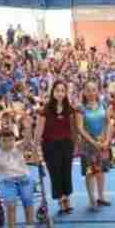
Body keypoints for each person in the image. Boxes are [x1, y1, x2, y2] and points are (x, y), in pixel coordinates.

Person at [35, 80, 76, 215]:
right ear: (53, 92)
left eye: (62, 91)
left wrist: (75, 145)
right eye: (57, 90)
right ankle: (60, 201)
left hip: (66, 145)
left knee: (66, 172)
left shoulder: (69, 109)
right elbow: (38, 132)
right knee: (55, 174)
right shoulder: (45, 110)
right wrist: (37, 150)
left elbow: (72, 128)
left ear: (66, 93)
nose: (60, 93)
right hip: (50, 147)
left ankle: (67, 199)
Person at [76, 80, 113, 212]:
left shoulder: (103, 104)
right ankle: (92, 199)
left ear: (97, 91)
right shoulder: (80, 108)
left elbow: (109, 123)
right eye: (88, 90)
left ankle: (101, 197)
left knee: (101, 170)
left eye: (94, 89)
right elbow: (80, 128)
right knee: (90, 172)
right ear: (84, 92)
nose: (91, 93)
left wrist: (107, 140)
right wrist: (93, 142)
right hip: (88, 146)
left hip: (102, 144)